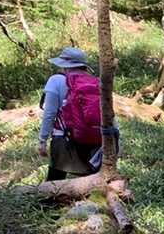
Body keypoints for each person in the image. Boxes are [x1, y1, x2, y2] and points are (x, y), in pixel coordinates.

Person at [38, 47, 110, 180]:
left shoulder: (56, 80)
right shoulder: (95, 82)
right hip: (94, 139)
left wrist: (42, 140)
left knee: (54, 182)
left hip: (64, 139)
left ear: (64, 64)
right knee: (90, 184)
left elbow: (49, 113)